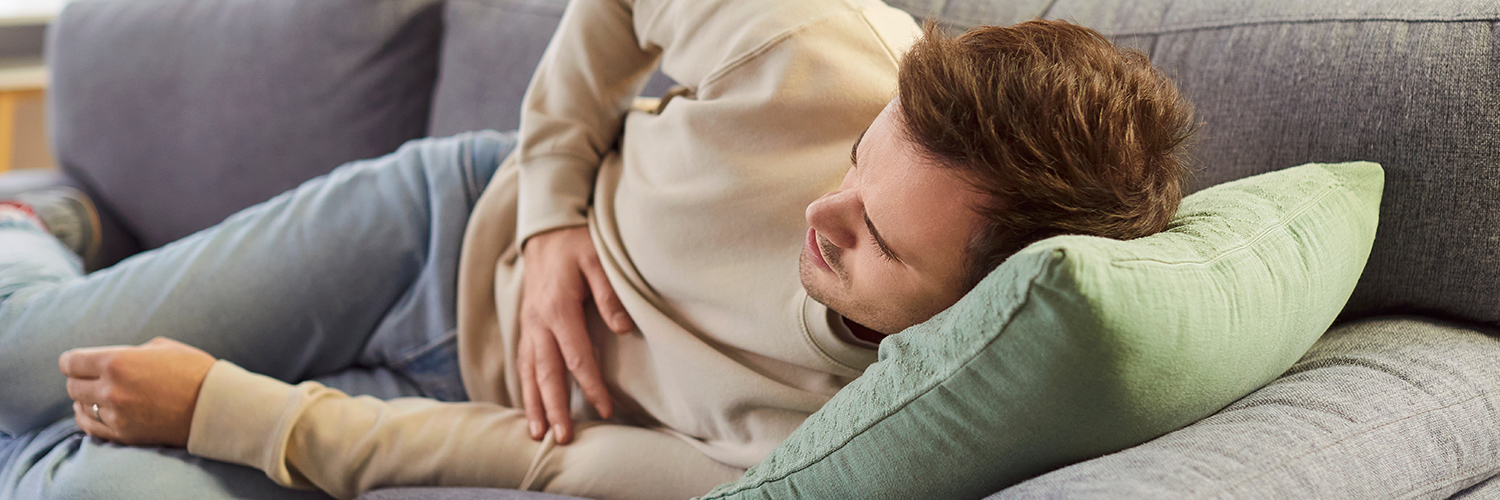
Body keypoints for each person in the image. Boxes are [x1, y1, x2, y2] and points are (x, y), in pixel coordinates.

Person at [0, 0, 1194, 498]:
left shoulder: (833, 439)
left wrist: (238, 411)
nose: (823, 212)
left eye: (875, 239)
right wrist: (555, 211)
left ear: (964, 313)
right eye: (857, 159)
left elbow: (546, 458)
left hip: (464, 391)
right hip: (441, 227)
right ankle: (41, 233)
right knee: (19, 360)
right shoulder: (830, 51)